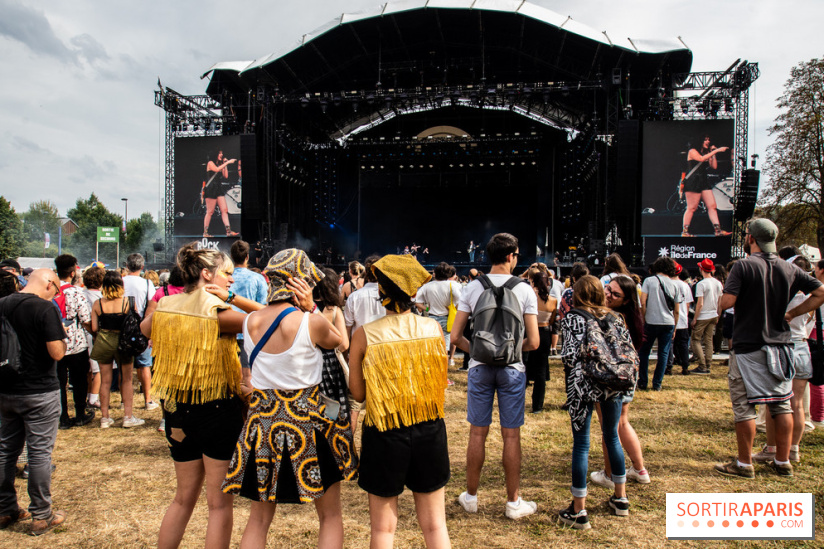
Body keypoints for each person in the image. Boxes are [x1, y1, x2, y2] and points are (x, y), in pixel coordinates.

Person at [221, 249, 356, 549]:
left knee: (258, 520)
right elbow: (338, 342)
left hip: (263, 424)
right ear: (302, 282)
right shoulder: (311, 322)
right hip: (310, 424)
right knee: (330, 516)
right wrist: (312, 308)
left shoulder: (250, 321)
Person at [141, 244, 263, 548]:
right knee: (218, 506)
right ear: (207, 274)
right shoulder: (217, 312)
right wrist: (232, 299)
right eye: (226, 273)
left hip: (176, 411)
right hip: (217, 411)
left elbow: (145, 328)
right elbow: (272, 319)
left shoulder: (166, 304)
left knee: (182, 499)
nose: (231, 280)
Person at [347, 254, 450, 548]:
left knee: (383, 530)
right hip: (428, 428)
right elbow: (440, 381)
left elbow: (358, 394)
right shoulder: (432, 329)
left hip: (384, 432)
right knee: (435, 525)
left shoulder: (364, 335)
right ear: (413, 291)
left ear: (381, 290)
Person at [714, 219, 824, 479]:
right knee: (781, 405)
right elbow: (820, 292)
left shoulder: (743, 266)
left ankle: (744, 464)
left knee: (744, 407)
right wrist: (792, 313)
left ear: (751, 238)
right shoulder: (790, 268)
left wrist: (722, 299)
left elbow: (728, 301)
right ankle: (783, 461)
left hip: (748, 345)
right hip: (781, 345)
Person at [451, 233, 540, 520]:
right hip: (512, 369)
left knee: (477, 433)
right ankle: (513, 502)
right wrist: (509, 352)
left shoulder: (473, 287)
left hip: (479, 367)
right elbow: (534, 342)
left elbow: (456, 336)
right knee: (511, 435)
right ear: (511, 256)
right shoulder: (524, 290)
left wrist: (480, 351)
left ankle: (471, 497)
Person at [558, 275, 632, 529]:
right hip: (612, 381)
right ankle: (621, 497)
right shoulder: (615, 317)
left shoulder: (573, 318)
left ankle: (579, 509)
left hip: (582, 383)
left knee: (581, 444)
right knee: (612, 436)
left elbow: (568, 355)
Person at [0, 269, 67, 535]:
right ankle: (41, 514)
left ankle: (5, 508)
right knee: (39, 454)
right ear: (49, 284)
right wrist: (62, 336)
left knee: (6, 451)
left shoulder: (3, 303)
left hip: (6, 389)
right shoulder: (44, 308)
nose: (56, 294)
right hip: (39, 391)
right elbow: (57, 353)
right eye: (57, 290)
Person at [753, 255, 816, 465]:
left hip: (782, 346)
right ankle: (793, 449)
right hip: (802, 346)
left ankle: (772, 448)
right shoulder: (810, 297)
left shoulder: (779, 293)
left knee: (776, 403)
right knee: (797, 404)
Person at [591, 275, 650, 491]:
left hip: (611, 377)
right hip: (628, 374)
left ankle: (610, 474)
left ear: (626, 300)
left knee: (609, 428)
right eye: (608, 289)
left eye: (615, 294)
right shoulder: (633, 318)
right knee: (622, 422)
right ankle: (640, 469)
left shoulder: (611, 318)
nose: (608, 295)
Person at [90, 271, 144, 428]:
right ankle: (128, 416)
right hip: (124, 342)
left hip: (104, 341)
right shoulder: (128, 302)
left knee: (105, 381)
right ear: (121, 285)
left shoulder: (98, 303)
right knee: (127, 379)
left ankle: (105, 418)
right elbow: (135, 323)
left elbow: (94, 327)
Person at [53, 254, 94, 429]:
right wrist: (94, 333)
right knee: (79, 381)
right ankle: (80, 414)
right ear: (72, 273)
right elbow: (85, 319)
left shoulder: (51, 291)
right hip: (76, 343)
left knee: (59, 383)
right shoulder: (77, 292)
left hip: (55, 343)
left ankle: (62, 417)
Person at [314, 266, 352, 432]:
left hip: (310, 362)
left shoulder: (303, 309)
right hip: (331, 365)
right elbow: (344, 344)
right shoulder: (333, 310)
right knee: (336, 405)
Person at [637, 257, 680, 391]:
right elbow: (677, 310)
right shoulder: (675, 284)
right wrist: (675, 327)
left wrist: (643, 318)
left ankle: (643, 381)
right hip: (668, 322)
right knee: (663, 353)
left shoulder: (649, 281)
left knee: (644, 352)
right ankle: (657, 384)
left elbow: (642, 302)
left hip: (651, 321)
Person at [123, 254, 158, 411]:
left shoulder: (121, 281)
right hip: (141, 326)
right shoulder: (147, 283)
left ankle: (124, 401)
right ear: (142, 267)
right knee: (145, 365)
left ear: (127, 266)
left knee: (125, 366)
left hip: (123, 326)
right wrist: (146, 329)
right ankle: (148, 400)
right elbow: (151, 306)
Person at [681, 135, 732, 237]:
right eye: (705, 140)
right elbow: (701, 159)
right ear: (699, 140)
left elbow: (714, 166)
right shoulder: (692, 151)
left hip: (703, 180)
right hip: (693, 181)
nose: (708, 142)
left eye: (709, 140)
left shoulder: (706, 152)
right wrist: (716, 150)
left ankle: (718, 230)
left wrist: (713, 153)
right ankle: (685, 232)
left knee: (712, 206)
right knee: (692, 207)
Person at [524, 269, 556, 413]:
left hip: (529, 331)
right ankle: (537, 405)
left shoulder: (529, 297)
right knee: (541, 371)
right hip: (545, 333)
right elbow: (552, 320)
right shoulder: (553, 300)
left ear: (533, 282)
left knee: (524, 365)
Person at [414, 262, 462, 356]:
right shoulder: (452, 285)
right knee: (445, 347)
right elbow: (460, 302)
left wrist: (427, 309)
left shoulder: (427, 286)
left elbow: (415, 301)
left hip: (431, 318)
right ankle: (446, 362)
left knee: (432, 345)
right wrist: (453, 308)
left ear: (435, 273)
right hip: (447, 318)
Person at [690, 259, 724, 375]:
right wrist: (718, 314)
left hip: (703, 315)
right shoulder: (718, 283)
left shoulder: (701, 284)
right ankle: (708, 364)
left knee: (696, 339)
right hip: (713, 314)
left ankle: (702, 365)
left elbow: (700, 303)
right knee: (708, 340)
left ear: (701, 269)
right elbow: (720, 302)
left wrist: (695, 318)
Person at [82, 266, 105, 409]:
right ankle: (93, 399)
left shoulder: (81, 293)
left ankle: (88, 394)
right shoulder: (100, 298)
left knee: (88, 370)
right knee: (97, 370)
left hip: (81, 335)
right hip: (93, 334)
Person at [203, 150, 240, 237]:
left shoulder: (220, 164)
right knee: (210, 212)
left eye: (222, 153)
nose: (221, 154)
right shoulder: (210, 163)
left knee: (224, 210)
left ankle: (228, 231)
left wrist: (225, 164)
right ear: (215, 154)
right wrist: (227, 162)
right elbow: (216, 169)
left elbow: (225, 176)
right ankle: (205, 232)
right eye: (219, 153)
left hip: (218, 188)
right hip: (211, 188)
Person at [668, 265, 694, 376]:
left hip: (670, 319)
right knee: (683, 344)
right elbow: (688, 304)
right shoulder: (685, 285)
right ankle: (685, 366)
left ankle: (668, 367)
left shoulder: (667, 284)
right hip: (682, 318)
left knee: (669, 344)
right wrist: (685, 315)